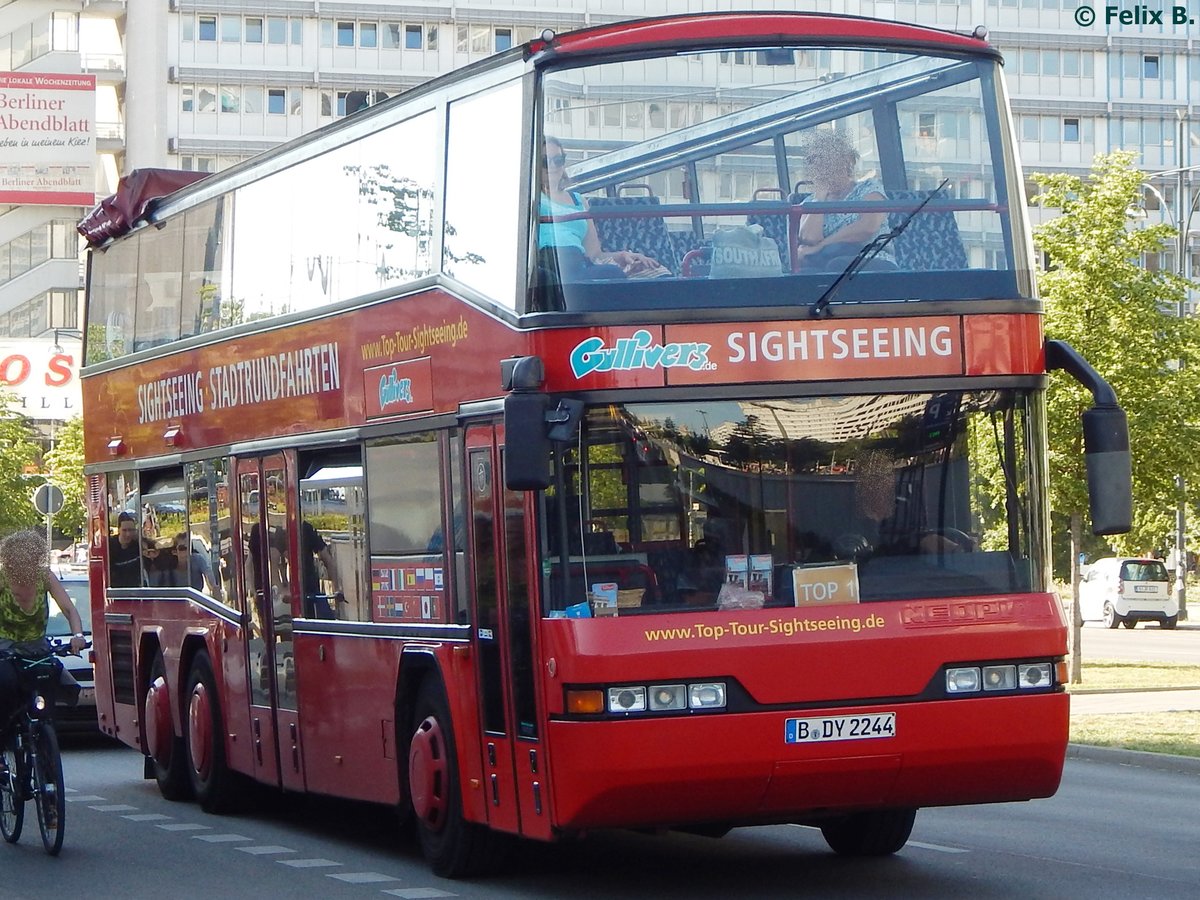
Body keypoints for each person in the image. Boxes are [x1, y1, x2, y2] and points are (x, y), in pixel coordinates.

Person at [538, 136, 663, 281]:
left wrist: (622, 256)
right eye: (545, 162)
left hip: (578, 266)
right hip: (546, 263)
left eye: (558, 160)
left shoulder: (579, 200)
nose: (553, 166)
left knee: (632, 272)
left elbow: (594, 254)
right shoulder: (530, 199)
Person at [0, 530, 87, 732]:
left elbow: (68, 609)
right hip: (5, 648)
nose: (24, 564)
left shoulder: (44, 576)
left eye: (29, 559)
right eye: (18, 559)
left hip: (37, 648)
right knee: (5, 683)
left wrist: (78, 636)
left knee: (52, 679)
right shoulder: (2, 579)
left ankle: (44, 733)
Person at [795, 130, 894, 270]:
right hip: (827, 262)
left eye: (827, 160)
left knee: (838, 267)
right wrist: (821, 199)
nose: (822, 167)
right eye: (815, 161)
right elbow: (809, 238)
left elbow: (868, 227)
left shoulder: (869, 188)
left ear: (845, 163)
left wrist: (822, 246)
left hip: (871, 258)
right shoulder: (812, 201)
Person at [300, 520, 342, 619]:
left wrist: (336, 589)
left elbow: (327, 559)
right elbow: (327, 558)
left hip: (310, 591)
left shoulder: (305, 529)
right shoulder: (305, 529)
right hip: (309, 590)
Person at [161, 532, 220, 597]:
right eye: (182, 548)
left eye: (189, 547)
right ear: (175, 551)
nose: (186, 552)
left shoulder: (198, 559)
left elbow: (208, 575)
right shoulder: (169, 566)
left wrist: (214, 588)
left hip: (196, 600)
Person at [108, 511, 141, 587]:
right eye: (124, 530)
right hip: (116, 592)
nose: (128, 534)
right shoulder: (110, 546)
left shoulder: (137, 545)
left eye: (131, 530)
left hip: (134, 591)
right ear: (119, 530)